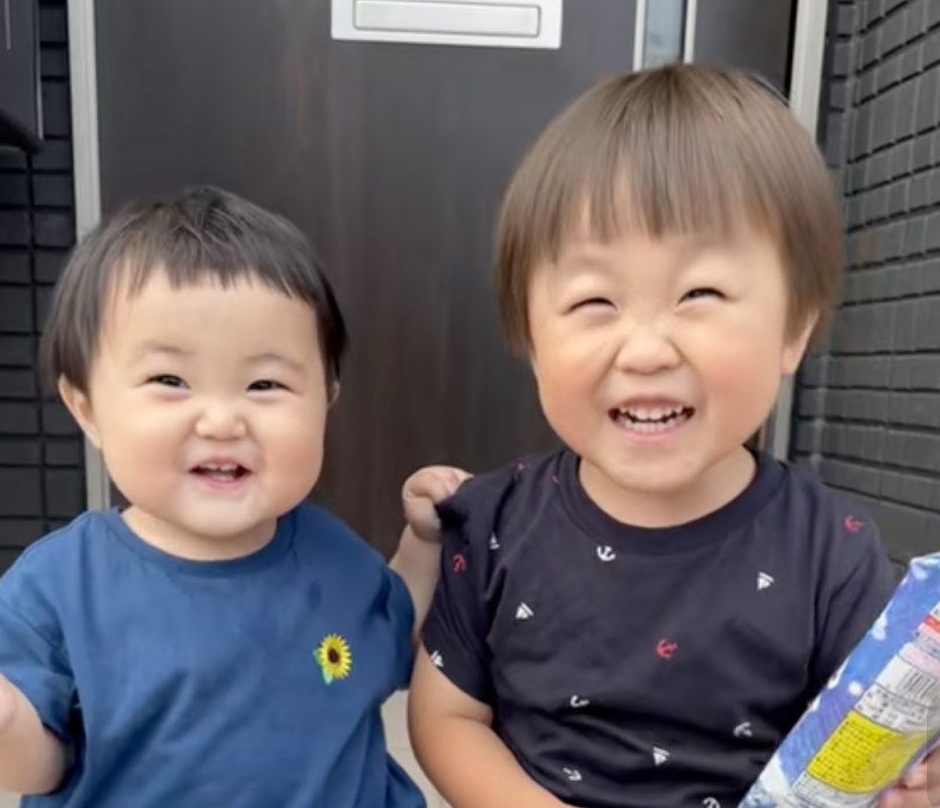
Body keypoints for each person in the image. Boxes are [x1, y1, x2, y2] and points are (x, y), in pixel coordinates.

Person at [402, 65, 939, 807]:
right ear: (530, 335)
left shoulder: (830, 549)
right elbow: (446, 716)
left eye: (700, 293)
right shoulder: (495, 523)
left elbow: (867, 737)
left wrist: (908, 783)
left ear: (793, 329)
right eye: (595, 300)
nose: (647, 349)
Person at [0, 186, 462, 807]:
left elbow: (397, 634)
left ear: (326, 401)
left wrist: (424, 545)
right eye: (170, 380)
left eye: (265, 384)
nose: (222, 421)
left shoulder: (333, 556)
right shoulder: (59, 587)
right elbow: (43, 764)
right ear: (87, 408)